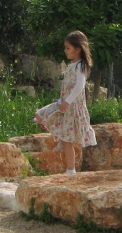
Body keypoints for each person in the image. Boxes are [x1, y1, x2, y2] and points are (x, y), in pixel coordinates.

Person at [34, 31, 97, 174]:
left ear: (78, 49)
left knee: (67, 140)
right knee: (39, 115)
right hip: (63, 104)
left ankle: (71, 169)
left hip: (71, 106)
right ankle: (68, 161)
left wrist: (68, 102)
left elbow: (79, 86)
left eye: (68, 48)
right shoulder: (72, 65)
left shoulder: (80, 66)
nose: (65, 51)